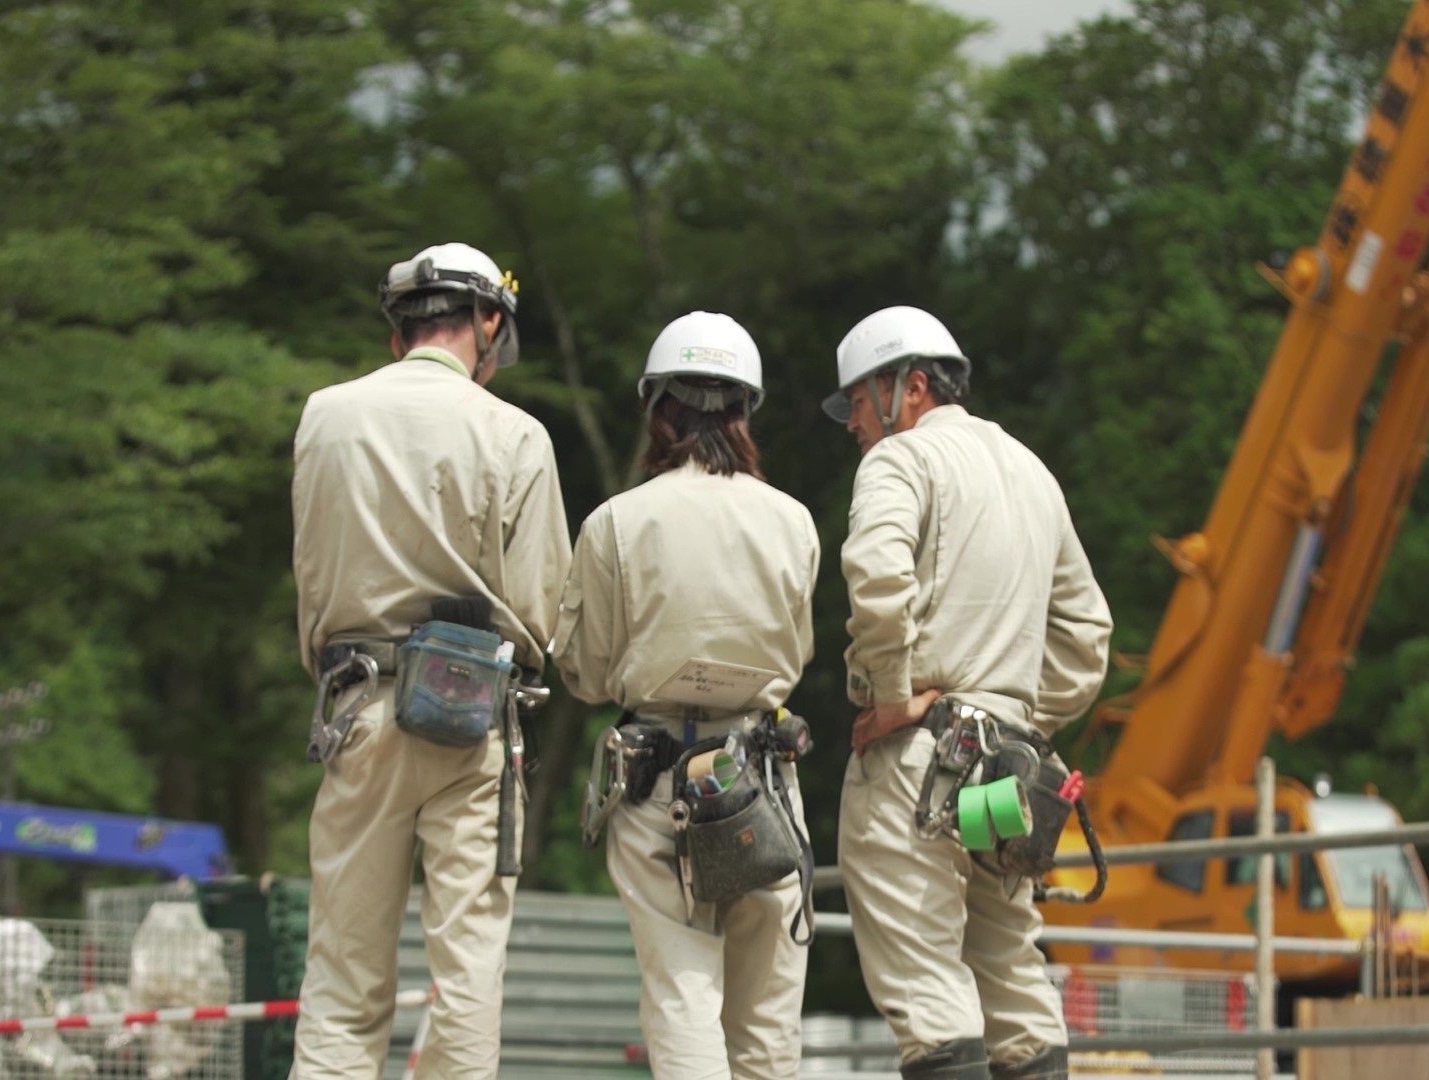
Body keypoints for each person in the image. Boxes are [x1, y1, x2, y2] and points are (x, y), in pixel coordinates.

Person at [290, 242, 570, 1078]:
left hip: (358, 703)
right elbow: (541, 605)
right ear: (489, 322)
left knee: (342, 975)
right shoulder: (515, 432)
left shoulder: (325, 415)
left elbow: (313, 573)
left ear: (398, 328)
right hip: (472, 712)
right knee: (467, 974)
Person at [827, 306, 1113, 1079]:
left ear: (910, 387)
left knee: (928, 991)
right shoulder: (1032, 471)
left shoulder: (900, 462)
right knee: (1009, 968)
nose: (853, 420)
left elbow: (879, 582)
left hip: (918, 766)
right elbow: (1088, 638)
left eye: (858, 399)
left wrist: (894, 695)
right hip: (1004, 775)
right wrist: (1010, 710)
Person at [554, 311, 820, 1080]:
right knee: (768, 1013)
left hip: (658, 781)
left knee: (683, 998)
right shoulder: (793, 522)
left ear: (659, 409)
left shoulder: (617, 522)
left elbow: (589, 672)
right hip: (760, 780)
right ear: (744, 411)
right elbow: (796, 653)